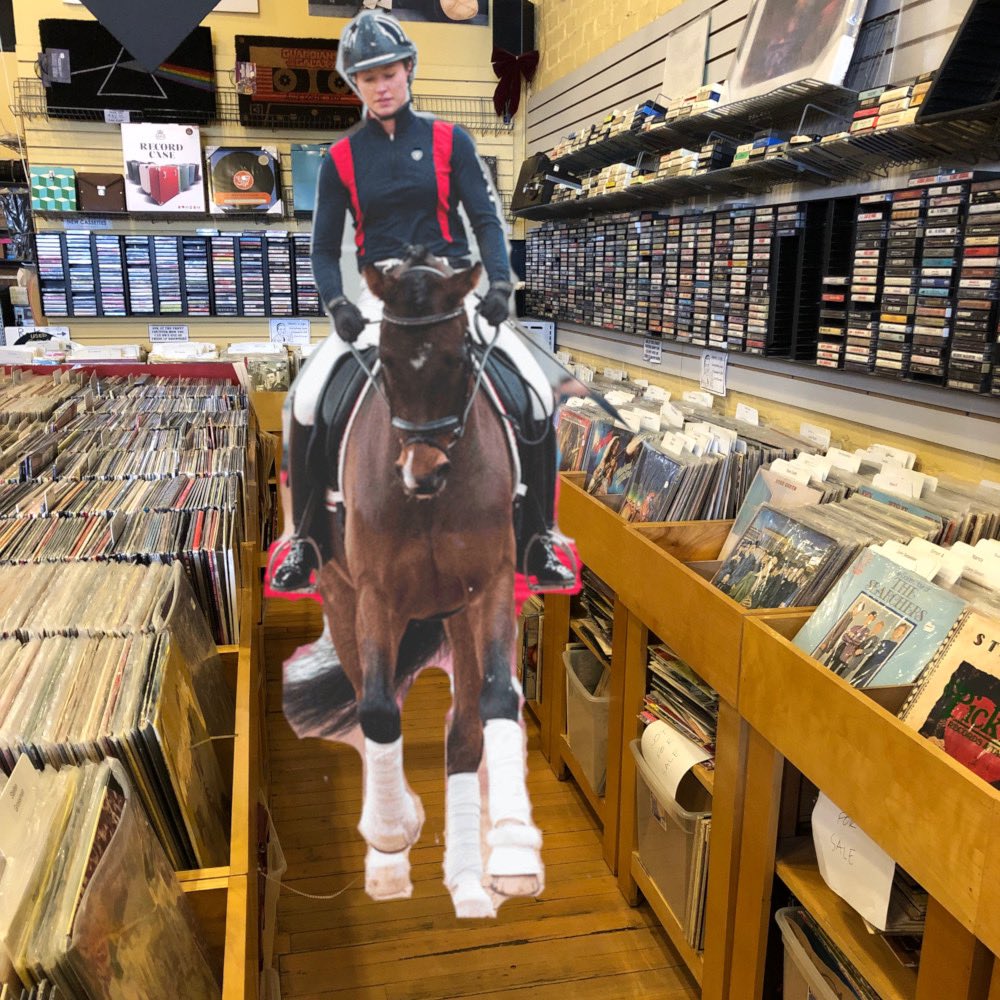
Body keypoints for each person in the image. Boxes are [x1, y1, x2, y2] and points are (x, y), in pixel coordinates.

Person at [270, 10, 575, 594]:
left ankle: (538, 536)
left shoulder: (450, 141)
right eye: (367, 77)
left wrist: (501, 287)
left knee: (537, 390)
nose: (381, 85)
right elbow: (320, 247)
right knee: (303, 402)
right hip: (382, 294)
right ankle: (304, 537)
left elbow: (485, 218)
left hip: (450, 288)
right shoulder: (339, 160)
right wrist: (336, 301)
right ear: (355, 85)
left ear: (408, 69)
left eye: (389, 72)